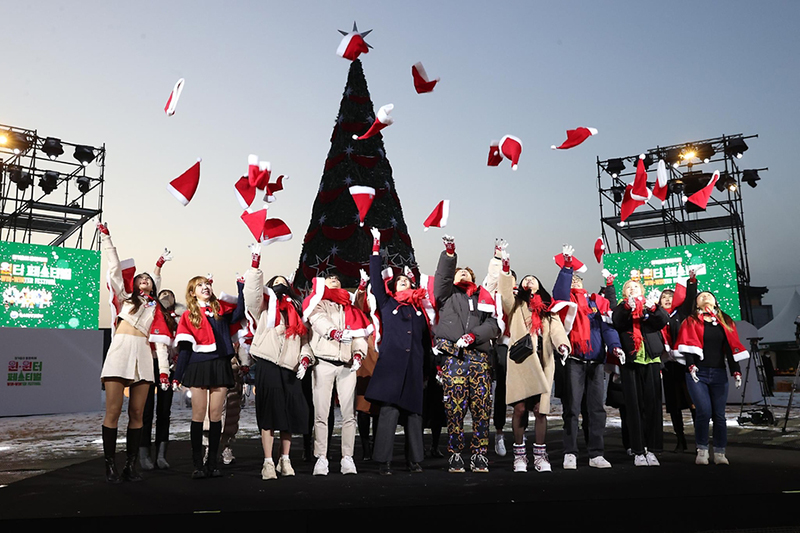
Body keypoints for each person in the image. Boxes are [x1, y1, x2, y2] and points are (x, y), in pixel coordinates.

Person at [97, 220, 172, 483]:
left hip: (143, 356)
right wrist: (107, 238)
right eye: (140, 279)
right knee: (113, 411)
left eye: (147, 280)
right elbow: (114, 269)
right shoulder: (124, 298)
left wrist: (159, 265)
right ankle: (109, 465)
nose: (144, 281)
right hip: (120, 353)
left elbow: (157, 281)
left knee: (138, 413)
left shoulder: (155, 308)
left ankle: (130, 465)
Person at [496, 247, 570, 473]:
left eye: (532, 279)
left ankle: (540, 455)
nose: (529, 281)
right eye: (526, 279)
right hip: (521, 362)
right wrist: (506, 269)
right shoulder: (516, 306)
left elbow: (557, 329)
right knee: (519, 409)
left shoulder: (549, 309)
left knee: (540, 410)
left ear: (539, 286)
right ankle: (519, 455)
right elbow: (506, 295)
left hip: (543, 361)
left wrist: (563, 345)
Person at [365, 228, 432, 475]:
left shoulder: (419, 311)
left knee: (414, 416)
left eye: (408, 281)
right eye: (400, 281)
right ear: (393, 287)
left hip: (414, 370)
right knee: (389, 413)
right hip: (391, 368)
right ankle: (384, 462)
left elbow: (424, 344)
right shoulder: (387, 302)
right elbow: (374, 279)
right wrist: (375, 247)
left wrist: (426, 372)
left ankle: (414, 460)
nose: (405, 282)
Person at [433, 235, 501, 473]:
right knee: (455, 410)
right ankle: (455, 454)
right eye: (458, 273)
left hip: (480, 361)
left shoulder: (483, 298)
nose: (463, 275)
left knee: (482, 410)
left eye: (466, 273)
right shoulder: (446, 296)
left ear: (473, 277)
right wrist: (449, 254)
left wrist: (474, 336)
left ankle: (480, 454)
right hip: (455, 360)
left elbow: (494, 325)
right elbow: (441, 278)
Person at [244, 244, 312, 480]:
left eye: (285, 282)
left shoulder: (298, 311)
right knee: (270, 413)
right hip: (268, 365)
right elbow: (251, 295)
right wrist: (255, 264)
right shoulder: (263, 309)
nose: (281, 286)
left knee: (289, 414)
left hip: (291, 368)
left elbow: (305, 340)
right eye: (276, 283)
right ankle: (268, 462)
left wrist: (305, 359)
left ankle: (285, 459)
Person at [555, 245, 623, 470]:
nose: (575, 281)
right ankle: (570, 452)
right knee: (572, 409)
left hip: (595, 364)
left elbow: (608, 329)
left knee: (596, 410)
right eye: (571, 279)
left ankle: (596, 453)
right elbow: (560, 292)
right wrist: (566, 267)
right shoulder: (565, 304)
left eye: (577, 279)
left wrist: (614, 347)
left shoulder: (595, 303)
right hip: (574, 362)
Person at [173, 275, 244, 479]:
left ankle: (212, 463)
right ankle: (198, 464)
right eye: (199, 285)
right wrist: (178, 376)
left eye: (207, 284)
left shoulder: (220, 310)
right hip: (198, 366)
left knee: (215, 415)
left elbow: (239, 312)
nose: (205, 287)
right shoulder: (188, 315)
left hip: (220, 365)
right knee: (198, 415)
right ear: (192, 292)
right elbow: (185, 349)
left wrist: (240, 286)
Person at [303, 270, 371, 476]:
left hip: (347, 365)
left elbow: (359, 333)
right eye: (330, 278)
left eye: (337, 279)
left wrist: (359, 354)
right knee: (321, 414)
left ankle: (347, 458)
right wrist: (335, 332)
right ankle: (321, 457)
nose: (334, 280)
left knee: (349, 414)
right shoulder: (318, 302)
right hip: (323, 362)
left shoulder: (350, 308)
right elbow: (319, 321)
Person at [677, 291, 748, 465]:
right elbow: (687, 347)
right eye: (701, 296)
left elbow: (732, 347)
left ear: (715, 300)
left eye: (708, 295)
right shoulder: (691, 321)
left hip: (718, 373)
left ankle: (720, 452)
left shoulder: (725, 320)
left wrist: (736, 371)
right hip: (697, 373)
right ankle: (702, 450)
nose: (705, 297)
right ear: (696, 303)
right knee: (703, 411)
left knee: (719, 414)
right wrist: (691, 366)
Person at [612, 280, 669, 467]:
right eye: (628, 287)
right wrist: (628, 306)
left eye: (636, 287)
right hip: (631, 360)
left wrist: (652, 308)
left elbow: (662, 321)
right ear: (624, 292)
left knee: (653, 405)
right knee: (633, 407)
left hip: (651, 358)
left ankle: (653, 449)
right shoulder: (622, 307)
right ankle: (638, 450)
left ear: (642, 290)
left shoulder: (649, 305)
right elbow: (617, 321)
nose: (632, 289)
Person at [139, 288, 182, 470]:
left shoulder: (180, 317)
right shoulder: (151, 313)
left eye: (170, 295)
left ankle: (161, 454)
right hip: (150, 363)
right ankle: (143, 454)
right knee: (146, 410)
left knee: (164, 412)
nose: (166, 298)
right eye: (163, 295)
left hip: (169, 366)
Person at [659, 272, 698, 452]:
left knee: (692, 402)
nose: (667, 300)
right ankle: (680, 439)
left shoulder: (681, 313)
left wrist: (691, 282)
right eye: (663, 298)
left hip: (685, 364)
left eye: (670, 297)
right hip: (668, 366)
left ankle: (700, 440)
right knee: (674, 405)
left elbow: (690, 298)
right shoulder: (658, 317)